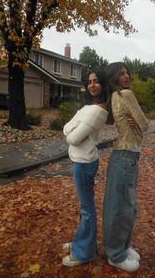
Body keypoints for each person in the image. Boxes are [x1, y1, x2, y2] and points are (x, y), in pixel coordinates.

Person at [103, 62, 149, 272]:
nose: (126, 76)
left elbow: (137, 125)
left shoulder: (115, 97)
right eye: (121, 74)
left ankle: (123, 246)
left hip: (126, 156)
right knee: (121, 207)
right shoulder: (125, 95)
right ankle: (115, 254)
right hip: (125, 155)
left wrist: (135, 124)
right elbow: (145, 124)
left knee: (126, 206)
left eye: (127, 72)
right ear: (114, 78)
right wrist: (136, 123)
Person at [62, 70, 109, 267]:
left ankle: (84, 253)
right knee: (85, 207)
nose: (92, 85)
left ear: (104, 84)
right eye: (89, 82)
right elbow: (66, 128)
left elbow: (72, 137)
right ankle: (82, 242)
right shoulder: (87, 107)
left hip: (84, 164)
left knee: (87, 209)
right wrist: (73, 129)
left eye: (96, 82)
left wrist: (73, 130)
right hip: (80, 162)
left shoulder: (98, 110)